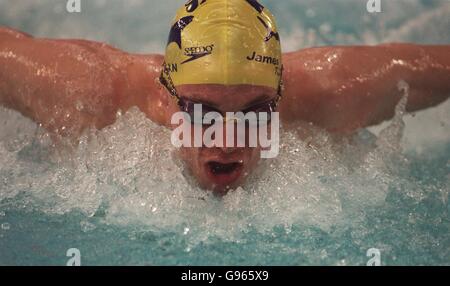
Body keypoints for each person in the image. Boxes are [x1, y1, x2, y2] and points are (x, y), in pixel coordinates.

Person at [0, 0, 449, 193]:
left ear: (280, 93)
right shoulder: (92, 95)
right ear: (167, 91)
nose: (229, 140)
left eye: (255, 111)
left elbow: (423, 68)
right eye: (201, 111)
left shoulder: (328, 92)